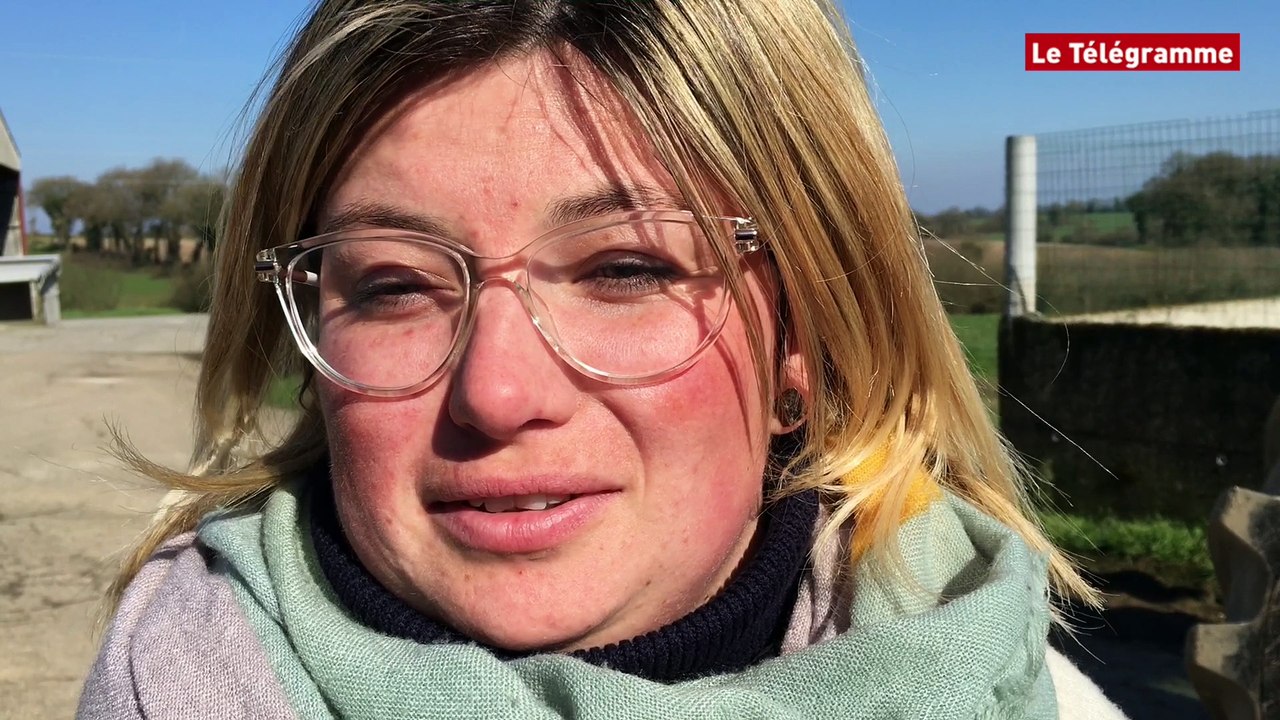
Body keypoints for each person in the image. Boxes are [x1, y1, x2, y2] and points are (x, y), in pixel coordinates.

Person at [79, 1, 1127, 717]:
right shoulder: (173, 682)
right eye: (394, 284)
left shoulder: (1016, 693)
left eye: (624, 268)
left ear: (805, 338)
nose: (495, 393)